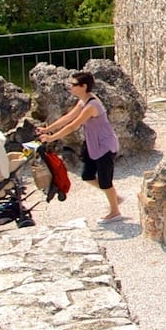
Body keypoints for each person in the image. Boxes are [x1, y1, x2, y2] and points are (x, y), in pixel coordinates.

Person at [39, 72, 124, 222]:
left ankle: (115, 212)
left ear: (83, 86)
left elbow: (73, 126)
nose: (70, 87)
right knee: (87, 176)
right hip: (93, 144)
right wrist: (47, 130)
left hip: (105, 146)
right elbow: (68, 117)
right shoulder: (83, 101)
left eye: (73, 84)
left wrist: (51, 138)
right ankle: (114, 197)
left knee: (106, 182)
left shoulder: (92, 105)